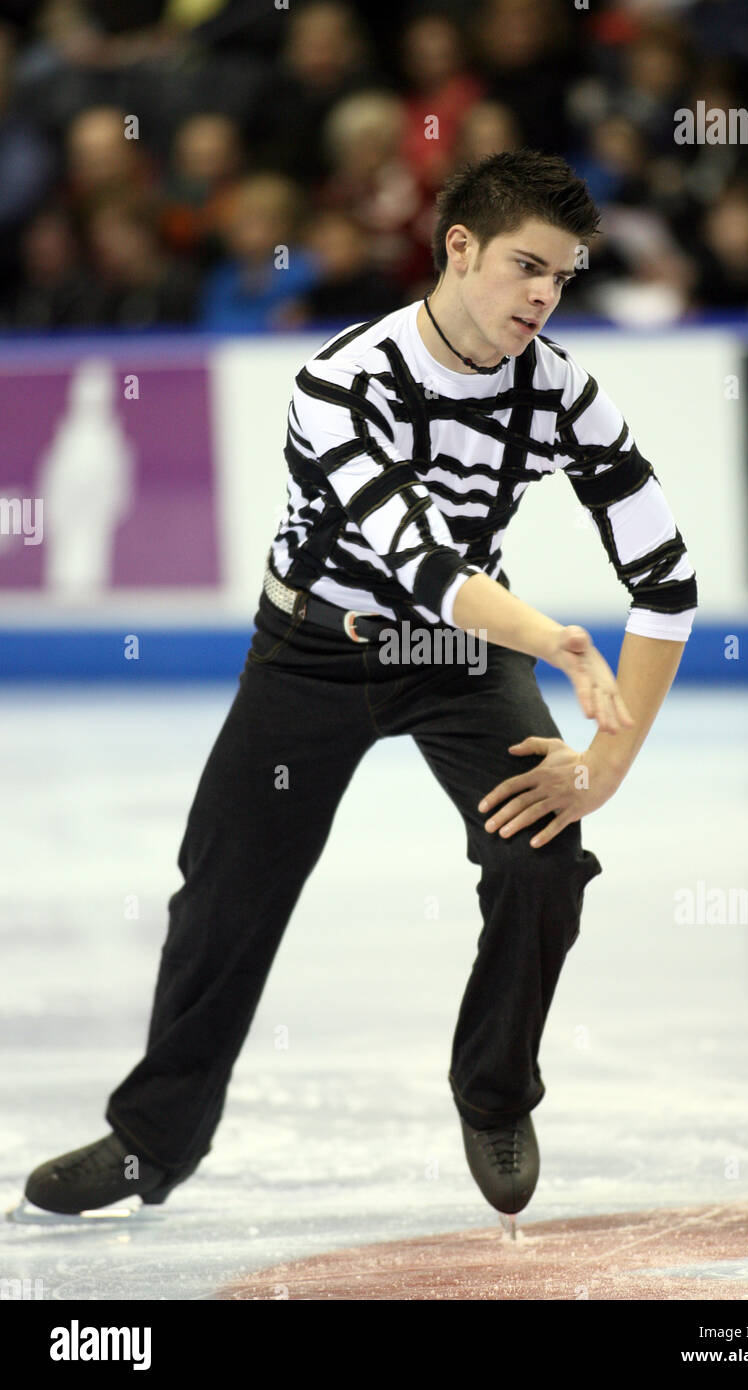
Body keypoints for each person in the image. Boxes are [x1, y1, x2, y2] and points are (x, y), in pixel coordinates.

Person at [21, 149, 697, 1226]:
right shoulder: (342, 379)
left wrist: (605, 763)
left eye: (563, 277)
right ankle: (154, 1140)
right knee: (222, 895)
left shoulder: (562, 390)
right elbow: (418, 560)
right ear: (458, 247)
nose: (542, 295)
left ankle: (492, 1096)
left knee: (542, 856)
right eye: (526, 265)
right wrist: (558, 642)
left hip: (461, 659)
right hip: (313, 650)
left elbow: (666, 579)